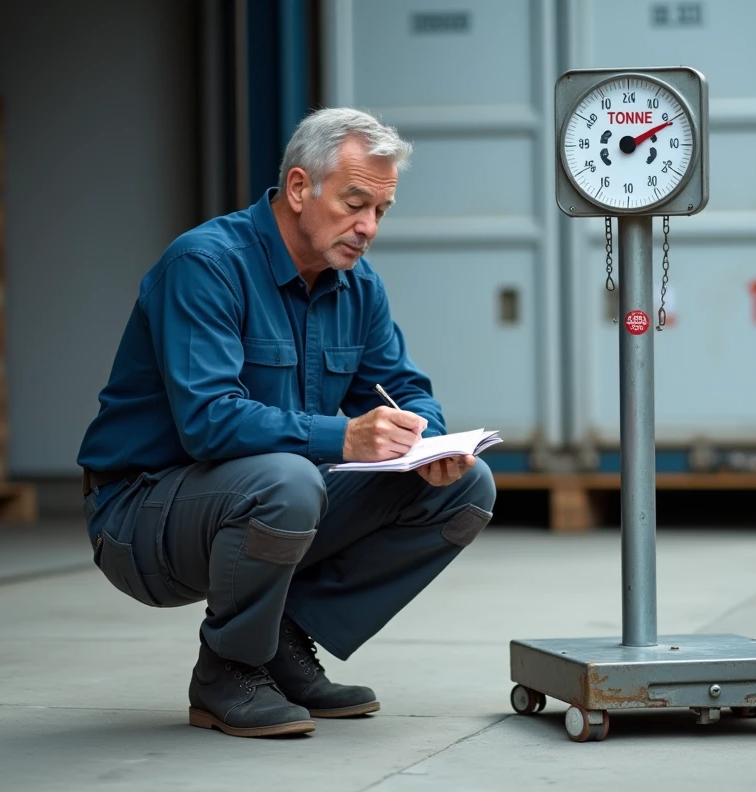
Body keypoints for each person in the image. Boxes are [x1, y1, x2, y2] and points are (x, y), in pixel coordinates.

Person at [76, 108, 497, 739]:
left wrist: (427, 440)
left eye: (381, 210)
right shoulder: (206, 265)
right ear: (300, 188)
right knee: (288, 480)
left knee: (468, 489)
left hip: (262, 499)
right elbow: (209, 424)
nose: (369, 227)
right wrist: (346, 436)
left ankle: (282, 642)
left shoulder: (357, 287)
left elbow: (405, 387)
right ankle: (227, 671)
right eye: (356, 203)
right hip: (141, 516)